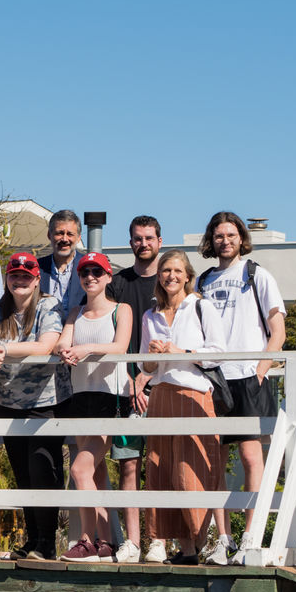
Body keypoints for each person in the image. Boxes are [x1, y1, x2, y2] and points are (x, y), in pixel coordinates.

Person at [196, 211, 287, 563]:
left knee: (251, 457)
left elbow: (277, 330)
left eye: (231, 235)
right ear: (211, 240)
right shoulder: (203, 281)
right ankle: (224, 538)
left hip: (248, 376)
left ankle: (251, 535)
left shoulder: (256, 275)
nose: (225, 241)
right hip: (214, 378)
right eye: (219, 235)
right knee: (214, 462)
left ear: (241, 238)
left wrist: (261, 369)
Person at [0, 253, 66, 561]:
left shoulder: (48, 305)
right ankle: (32, 539)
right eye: (15, 274)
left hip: (45, 402)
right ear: (7, 279)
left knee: (44, 470)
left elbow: (44, 346)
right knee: (23, 474)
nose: (20, 279)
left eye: (27, 275)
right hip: (9, 400)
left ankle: (47, 541)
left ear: (37, 279)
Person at [140, 251, 226, 564]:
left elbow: (218, 354)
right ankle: (185, 550)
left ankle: (204, 542)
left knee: (189, 473)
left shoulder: (201, 307)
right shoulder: (150, 315)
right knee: (161, 473)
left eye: (177, 270)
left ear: (187, 275)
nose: (171, 276)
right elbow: (146, 367)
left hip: (194, 393)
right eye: (165, 270)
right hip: (161, 394)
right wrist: (152, 354)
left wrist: (181, 350)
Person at [55, 252, 132, 563]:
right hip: (81, 396)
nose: (90, 277)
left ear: (108, 276)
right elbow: (63, 342)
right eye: (85, 272)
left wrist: (85, 349)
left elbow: (120, 347)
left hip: (109, 397)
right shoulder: (75, 312)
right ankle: (106, 542)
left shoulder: (120, 310)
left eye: (97, 272)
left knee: (79, 469)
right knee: (96, 473)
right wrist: (65, 349)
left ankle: (86, 540)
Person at [106, 215, 164, 562]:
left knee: (158, 465)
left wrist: (150, 377)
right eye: (137, 238)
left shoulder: (171, 280)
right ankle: (133, 541)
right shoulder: (117, 283)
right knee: (129, 465)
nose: (143, 243)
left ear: (159, 240)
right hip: (126, 388)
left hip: (163, 385)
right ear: (130, 243)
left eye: (149, 238)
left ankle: (158, 539)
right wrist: (129, 379)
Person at [38, 210, 85, 321]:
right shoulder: (36, 268)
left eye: (70, 234)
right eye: (59, 233)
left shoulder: (90, 269)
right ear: (49, 235)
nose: (64, 239)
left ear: (78, 238)